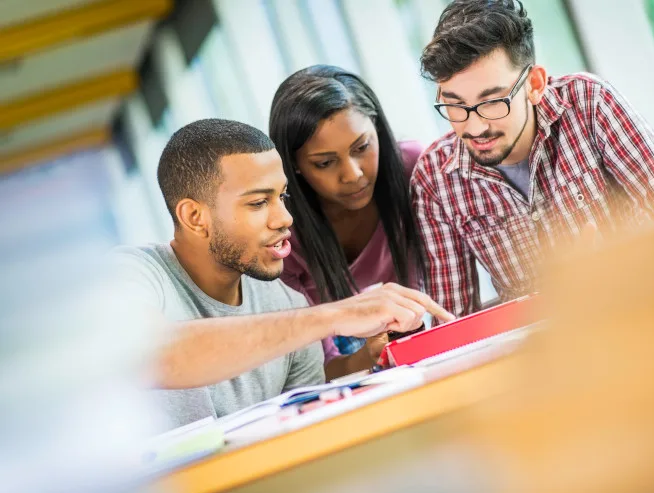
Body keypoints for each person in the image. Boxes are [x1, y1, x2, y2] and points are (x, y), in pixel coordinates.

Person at [113, 119, 453, 428]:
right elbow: (152, 353)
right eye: (259, 203)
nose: (285, 218)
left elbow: (310, 426)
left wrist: (370, 356)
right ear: (195, 217)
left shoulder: (284, 301)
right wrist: (333, 316)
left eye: (282, 196)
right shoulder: (131, 274)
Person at [411, 0, 654, 319]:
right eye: (455, 105)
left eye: (493, 102)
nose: (474, 127)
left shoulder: (589, 104)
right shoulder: (435, 179)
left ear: (534, 85)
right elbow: (452, 327)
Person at [270, 65, 427, 380]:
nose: (353, 174)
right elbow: (316, 369)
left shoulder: (414, 169)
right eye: (325, 162)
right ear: (294, 166)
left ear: (377, 129)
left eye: (362, 147)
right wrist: (371, 355)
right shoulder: (282, 234)